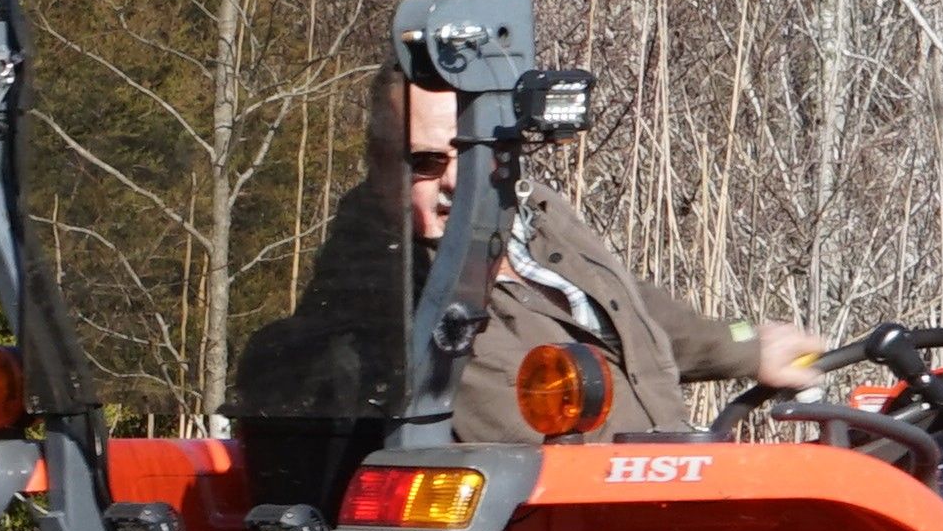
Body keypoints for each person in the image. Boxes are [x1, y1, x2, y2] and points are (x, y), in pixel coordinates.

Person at [224, 73, 814, 499]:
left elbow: (624, 305)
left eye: (477, 155)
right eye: (427, 163)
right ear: (380, 169)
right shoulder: (399, 305)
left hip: (663, 507)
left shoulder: (533, 216)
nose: (458, 182)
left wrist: (745, 345)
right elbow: (539, 461)